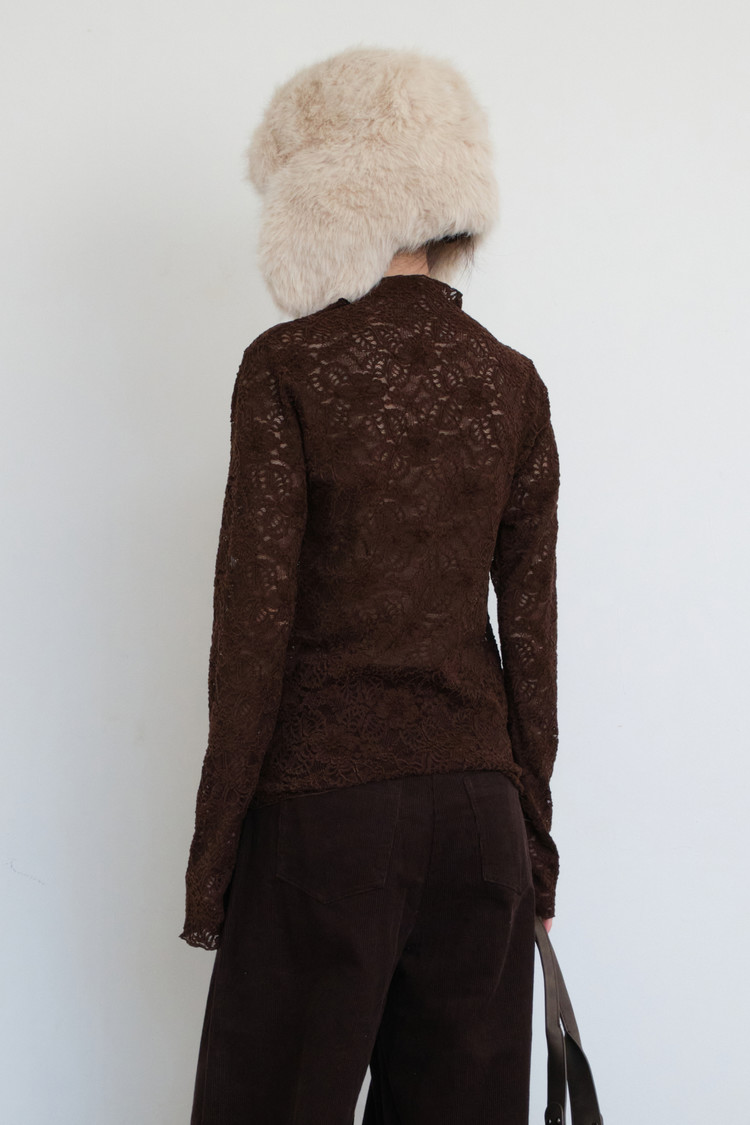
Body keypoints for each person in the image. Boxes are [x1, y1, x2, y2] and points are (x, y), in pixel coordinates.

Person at [182, 45, 561, 1125]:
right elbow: (531, 640)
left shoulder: (288, 366)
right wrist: (533, 848)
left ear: (325, 193)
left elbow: (251, 632)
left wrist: (216, 858)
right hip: (480, 819)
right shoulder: (514, 383)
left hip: (323, 820)